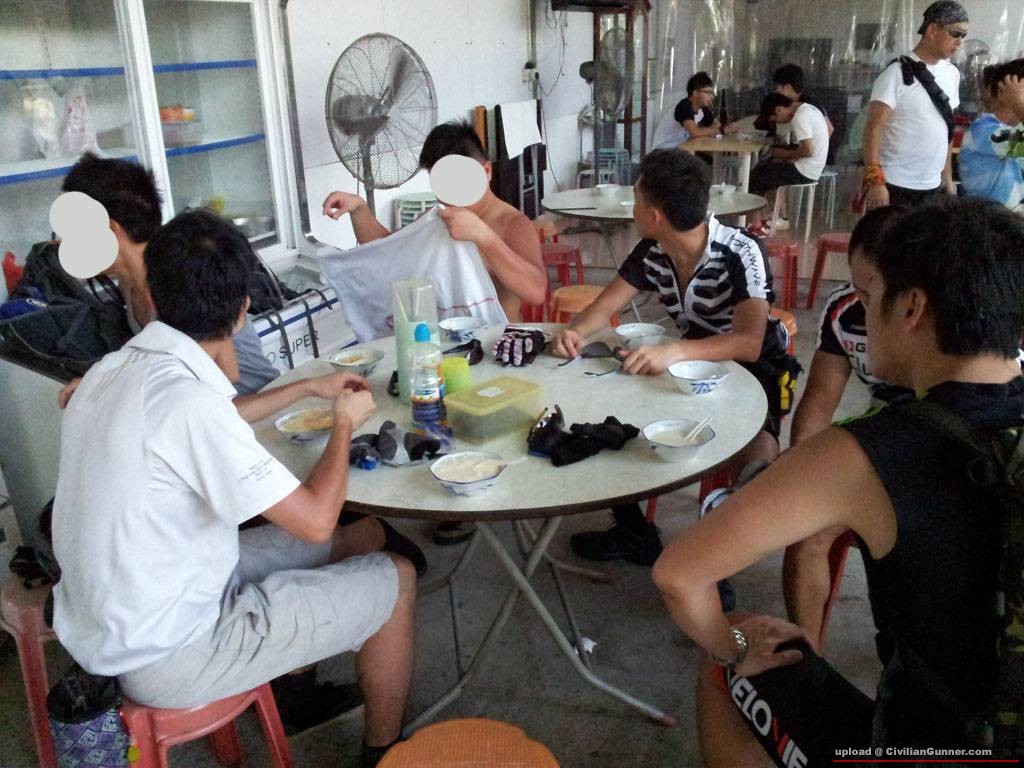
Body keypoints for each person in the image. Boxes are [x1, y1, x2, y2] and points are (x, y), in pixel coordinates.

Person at [652, 196, 1024, 766]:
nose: (861, 315)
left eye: (869, 300)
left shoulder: (863, 454)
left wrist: (735, 647)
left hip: (927, 749)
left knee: (732, 658)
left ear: (911, 308)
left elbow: (679, 576)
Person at [52, 210, 416, 766]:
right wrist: (343, 424)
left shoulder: (114, 369)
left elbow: (211, 416)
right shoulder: (188, 402)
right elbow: (316, 518)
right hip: (170, 654)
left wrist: (306, 389)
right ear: (245, 310)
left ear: (155, 294)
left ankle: (300, 695)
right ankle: (384, 753)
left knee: (361, 536)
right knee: (397, 575)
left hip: (118, 619)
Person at [551, 149, 794, 565]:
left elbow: (750, 341)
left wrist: (676, 350)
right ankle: (634, 532)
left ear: (655, 215)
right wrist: (575, 332)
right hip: (684, 365)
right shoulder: (652, 250)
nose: (631, 207)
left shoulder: (741, 250)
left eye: (635, 199)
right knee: (608, 418)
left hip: (756, 366)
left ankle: (727, 554)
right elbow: (606, 305)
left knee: (754, 440)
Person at [321, 120, 546, 323]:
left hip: (494, 343)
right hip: (441, 344)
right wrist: (359, 208)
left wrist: (484, 236)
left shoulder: (512, 223)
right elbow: (388, 251)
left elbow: (536, 291)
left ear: (486, 171)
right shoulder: (437, 218)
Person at [862, 0, 967, 210]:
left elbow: (947, 127)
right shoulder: (896, 74)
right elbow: (873, 129)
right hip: (894, 183)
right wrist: (876, 182)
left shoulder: (952, 74)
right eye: (955, 34)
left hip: (932, 185)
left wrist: (947, 177)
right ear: (932, 30)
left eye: (963, 36)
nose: (960, 42)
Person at [748, 93, 830, 235]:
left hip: (804, 171)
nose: (779, 123)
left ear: (779, 109)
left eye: (775, 119)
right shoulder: (809, 109)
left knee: (755, 177)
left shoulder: (800, 117)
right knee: (767, 169)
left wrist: (783, 153)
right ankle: (774, 218)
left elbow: (808, 151)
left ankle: (757, 226)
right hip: (813, 167)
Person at [960, 60, 1024, 212]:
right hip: (991, 220)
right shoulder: (984, 130)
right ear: (1005, 93)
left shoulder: (1010, 130)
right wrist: (1017, 103)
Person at [651, 72, 721, 150]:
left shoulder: (702, 109)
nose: (711, 97)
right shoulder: (684, 106)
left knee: (706, 157)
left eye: (712, 93)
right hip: (662, 151)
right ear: (695, 93)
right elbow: (695, 133)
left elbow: (717, 124)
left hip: (679, 150)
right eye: (708, 93)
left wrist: (712, 130)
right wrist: (712, 131)